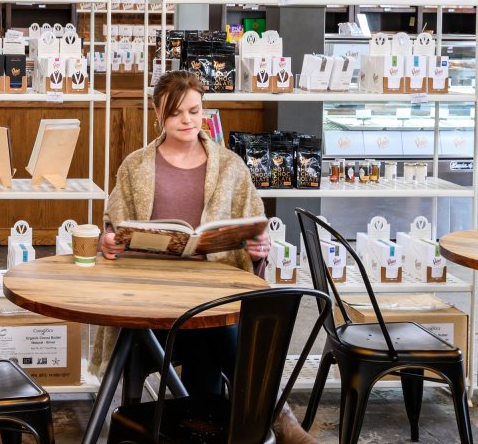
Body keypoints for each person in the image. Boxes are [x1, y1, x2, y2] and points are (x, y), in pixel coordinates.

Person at [91, 70, 314, 443]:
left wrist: (258, 247)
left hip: (211, 293)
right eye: (176, 112)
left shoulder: (230, 167)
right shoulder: (136, 166)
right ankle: (277, 418)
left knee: (216, 328)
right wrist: (110, 242)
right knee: (221, 334)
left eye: (194, 111)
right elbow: (113, 227)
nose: (187, 120)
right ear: (158, 113)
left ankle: (224, 423)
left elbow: (253, 229)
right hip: (152, 298)